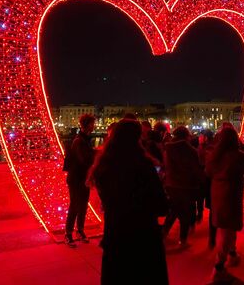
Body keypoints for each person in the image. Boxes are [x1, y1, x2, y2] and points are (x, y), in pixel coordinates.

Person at [88, 119, 169, 285]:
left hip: (116, 233)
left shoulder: (103, 165)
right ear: (137, 138)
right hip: (143, 235)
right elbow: (160, 205)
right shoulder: (143, 165)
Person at [206, 127, 244, 274]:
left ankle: (232, 252)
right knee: (229, 227)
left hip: (217, 192)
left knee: (225, 227)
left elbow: (208, 172)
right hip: (231, 194)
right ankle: (220, 261)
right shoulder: (237, 156)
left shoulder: (215, 155)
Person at [162, 126, 204, 247]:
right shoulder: (190, 150)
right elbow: (195, 169)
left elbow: (166, 166)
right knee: (185, 213)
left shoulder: (168, 148)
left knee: (174, 210)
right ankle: (183, 239)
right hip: (186, 185)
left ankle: (163, 233)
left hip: (171, 184)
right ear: (186, 136)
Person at [63, 114, 96, 247]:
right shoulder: (79, 141)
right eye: (92, 124)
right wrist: (96, 154)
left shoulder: (85, 139)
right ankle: (68, 233)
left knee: (82, 206)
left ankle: (80, 230)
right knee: (75, 205)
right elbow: (84, 160)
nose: (94, 126)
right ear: (86, 125)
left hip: (83, 178)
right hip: (76, 179)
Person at [198, 129, 217, 248]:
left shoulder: (209, 148)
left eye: (201, 136)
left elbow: (205, 163)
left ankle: (212, 236)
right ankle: (212, 236)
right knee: (210, 206)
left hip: (208, 179)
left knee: (212, 207)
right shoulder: (204, 147)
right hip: (205, 179)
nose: (199, 138)